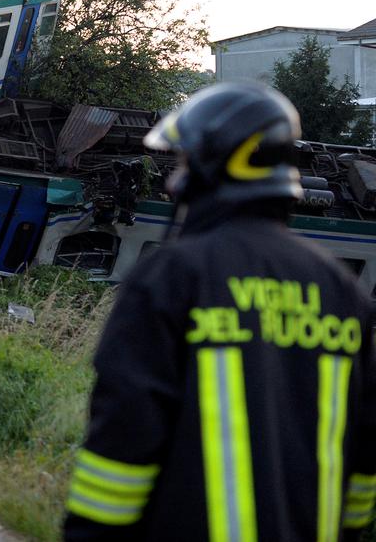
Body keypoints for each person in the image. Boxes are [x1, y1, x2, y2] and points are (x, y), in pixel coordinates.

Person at [64, 81, 376, 541]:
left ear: (215, 164)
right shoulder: (342, 291)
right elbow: (364, 461)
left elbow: (124, 437)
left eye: (185, 161)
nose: (173, 180)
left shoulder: (172, 277)